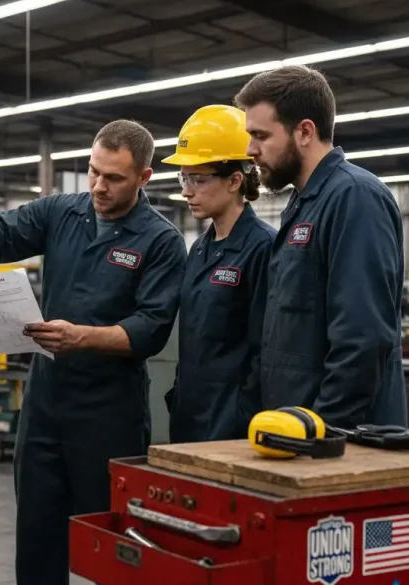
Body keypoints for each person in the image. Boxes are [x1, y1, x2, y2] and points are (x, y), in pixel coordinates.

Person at [0, 120, 186, 584]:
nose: (98, 186)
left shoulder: (161, 240)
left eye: (113, 178)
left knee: (112, 540)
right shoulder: (61, 212)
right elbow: (1, 228)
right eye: (93, 171)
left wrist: (81, 337)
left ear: (144, 178)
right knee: (37, 532)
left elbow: (151, 329)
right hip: (47, 403)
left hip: (110, 410)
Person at [234, 64, 407, 428]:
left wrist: (322, 428)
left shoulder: (355, 197)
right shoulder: (303, 205)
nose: (250, 149)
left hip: (341, 442)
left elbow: (363, 339)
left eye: (261, 135)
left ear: (305, 131)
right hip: (295, 428)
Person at [161, 105, 275, 443]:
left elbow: (265, 350)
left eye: (198, 179)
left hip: (231, 422)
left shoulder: (263, 248)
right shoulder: (199, 248)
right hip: (190, 413)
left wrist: (244, 414)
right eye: (184, 178)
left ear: (235, 180)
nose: (186, 191)